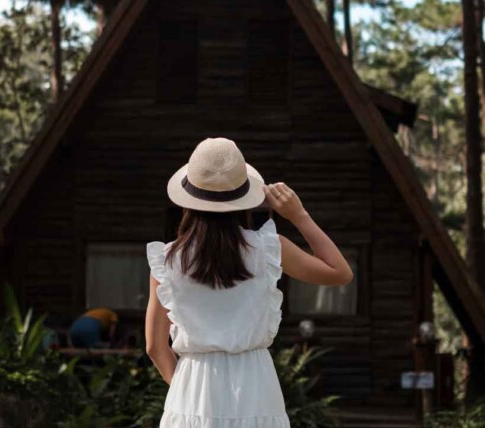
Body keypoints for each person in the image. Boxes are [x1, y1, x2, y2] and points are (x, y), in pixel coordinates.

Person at [145, 137, 354, 427]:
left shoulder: (166, 261)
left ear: (189, 201)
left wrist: (184, 391)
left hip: (191, 388)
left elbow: (155, 347)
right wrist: (299, 215)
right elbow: (339, 272)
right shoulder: (268, 249)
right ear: (243, 199)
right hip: (256, 388)